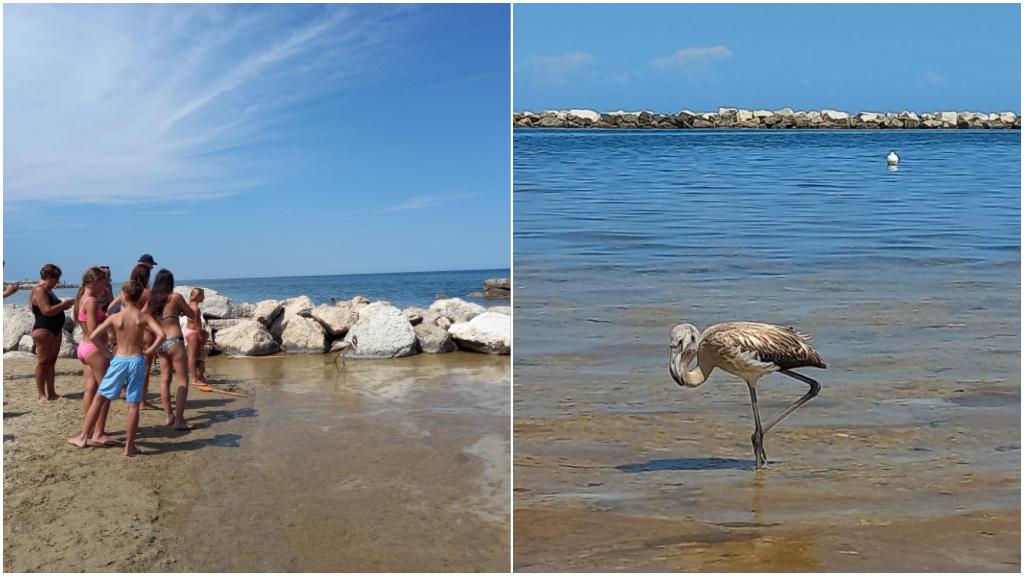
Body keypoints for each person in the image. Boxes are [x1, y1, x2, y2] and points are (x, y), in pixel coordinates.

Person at [67, 280, 164, 456]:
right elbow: (161, 335)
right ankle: (129, 446)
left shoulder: (115, 317)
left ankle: (83, 437)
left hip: (119, 360)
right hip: (137, 360)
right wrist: (149, 351)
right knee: (133, 405)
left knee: (99, 398)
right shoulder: (143, 317)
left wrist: (107, 353)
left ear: (124, 296)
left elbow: (94, 335)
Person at [73, 267, 118, 445]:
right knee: (106, 393)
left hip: (84, 348)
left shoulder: (81, 297)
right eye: (104, 281)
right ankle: (98, 432)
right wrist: (107, 352)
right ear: (96, 282)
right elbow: (93, 332)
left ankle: (90, 428)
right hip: (94, 349)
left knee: (90, 390)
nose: (106, 284)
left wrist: (106, 316)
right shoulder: (91, 301)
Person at [148, 269, 198, 430]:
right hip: (174, 341)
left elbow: (142, 316)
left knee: (165, 379)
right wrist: (180, 311)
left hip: (160, 342)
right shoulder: (175, 297)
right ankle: (179, 420)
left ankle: (169, 416)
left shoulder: (152, 300)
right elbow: (192, 315)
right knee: (183, 380)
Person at [108, 264, 159, 409]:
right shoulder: (149, 293)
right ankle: (142, 400)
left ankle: (125, 391)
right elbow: (151, 313)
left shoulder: (125, 294)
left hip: (127, 334)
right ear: (147, 276)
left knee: (126, 364)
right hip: (146, 333)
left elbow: (110, 310)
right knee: (144, 369)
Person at [29, 264, 74, 404]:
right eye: (57, 278)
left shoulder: (48, 290)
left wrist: (63, 306)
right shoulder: (39, 290)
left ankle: (52, 392)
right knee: (43, 362)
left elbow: (52, 308)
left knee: (51, 362)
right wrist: (63, 304)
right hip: (44, 329)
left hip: (55, 330)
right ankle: (41, 395)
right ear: (49, 277)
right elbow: (46, 311)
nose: (58, 282)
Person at [183, 288, 209, 386]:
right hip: (193, 333)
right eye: (202, 295)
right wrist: (200, 336)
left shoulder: (190, 305)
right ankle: (194, 379)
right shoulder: (196, 308)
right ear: (197, 296)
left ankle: (197, 377)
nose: (204, 297)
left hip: (188, 331)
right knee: (192, 356)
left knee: (194, 355)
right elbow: (197, 324)